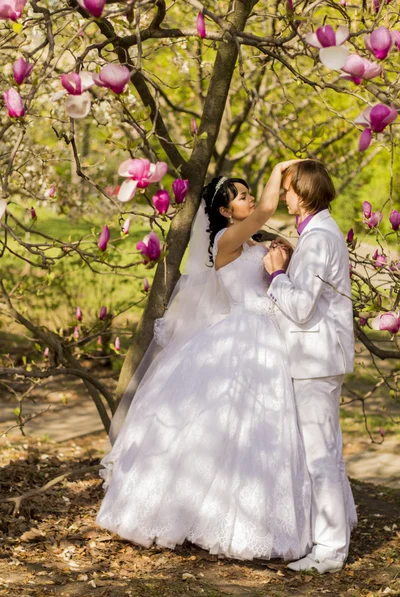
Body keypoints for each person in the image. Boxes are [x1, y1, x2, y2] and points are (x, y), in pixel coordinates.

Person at [96, 161, 313, 561]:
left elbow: (282, 260)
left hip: (267, 337)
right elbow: (266, 209)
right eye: (243, 196)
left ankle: (247, 516)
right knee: (223, 428)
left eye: (249, 193)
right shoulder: (228, 241)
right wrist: (283, 168)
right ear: (227, 211)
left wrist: (281, 255)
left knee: (254, 431)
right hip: (243, 336)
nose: (251, 200)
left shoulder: (253, 244)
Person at [264, 160, 357, 574]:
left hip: (316, 360)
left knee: (321, 458)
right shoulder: (318, 233)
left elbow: (301, 308)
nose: (283, 196)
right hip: (318, 358)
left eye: (287, 189)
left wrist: (277, 275)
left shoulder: (319, 239)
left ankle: (330, 550)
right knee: (328, 456)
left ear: (303, 194)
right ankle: (330, 543)